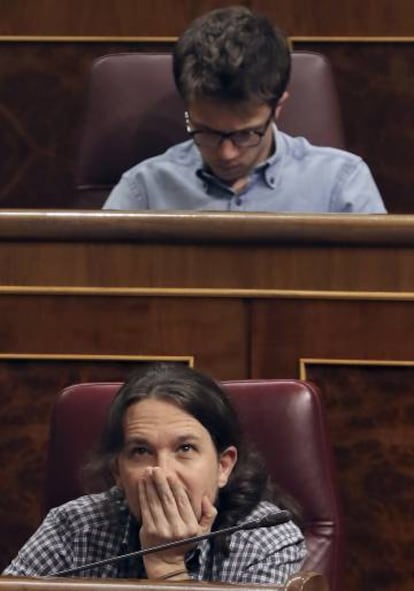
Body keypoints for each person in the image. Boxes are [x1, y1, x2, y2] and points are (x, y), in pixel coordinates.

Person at [3, 363, 305, 583]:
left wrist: (167, 566)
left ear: (223, 466)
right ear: (118, 472)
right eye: (141, 451)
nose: (162, 473)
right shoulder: (73, 528)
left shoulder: (266, 539)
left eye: (185, 448)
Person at [103, 6, 386, 213]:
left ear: (278, 108)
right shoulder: (144, 190)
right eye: (206, 131)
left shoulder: (342, 183)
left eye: (245, 134)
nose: (227, 154)